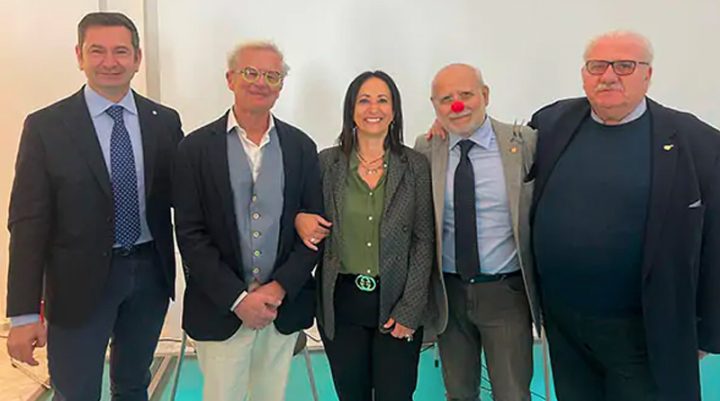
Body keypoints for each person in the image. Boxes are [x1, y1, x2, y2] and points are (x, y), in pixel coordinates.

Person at [529, 30, 720, 401]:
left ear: (648, 75)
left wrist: (707, 331)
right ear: (584, 74)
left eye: (624, 66)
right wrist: (449, 128)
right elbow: (501, 148)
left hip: (646, 332)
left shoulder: (697, 141)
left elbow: (716, 240)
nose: (609, 76)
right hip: (566, 329)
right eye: (597, 66)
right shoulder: (552, 122)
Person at [5, 12, 183, 401]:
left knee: (133, 386)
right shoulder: (47, 127)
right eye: (97, 51)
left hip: (149, 277)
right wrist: (23, 314)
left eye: (121, 51)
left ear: (137, 58)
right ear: (79, 56)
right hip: (77, 286)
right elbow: (28, 223)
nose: (110, 62)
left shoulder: (164, 122)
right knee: (77, 392)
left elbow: (188, 199)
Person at [172, 41, 322, 401]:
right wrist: (238, 299)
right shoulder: (194, 149)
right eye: (250, 72)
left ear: (281, 86)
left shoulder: (301, 147)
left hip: (280, 309)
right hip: (220, 307)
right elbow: (190, 234)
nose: (260, 82)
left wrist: (279, 288)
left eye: (272, 76)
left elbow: (316, 230)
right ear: (230, 79)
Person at [295, 70, 434, 401]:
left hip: (396, 302)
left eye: (382, 100)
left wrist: (410, 309)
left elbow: (424, 240)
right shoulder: (326, 164)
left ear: (394, 110)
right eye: (364, 100)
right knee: (351, 394)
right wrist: (300, 218)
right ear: (351, 110)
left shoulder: (415, 166)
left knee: (395, 394)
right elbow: (304, 214)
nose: (374, 108)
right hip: (342, 303)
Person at [415, 63, 540, 401]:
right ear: (434, 106)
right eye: (446, 99)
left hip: (506, 293)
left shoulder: (523, 142)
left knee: (512, 394)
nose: (457, 105)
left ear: (485, 95)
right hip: (449, 294)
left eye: (466, 95)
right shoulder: (426, 148)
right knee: (458, 393)